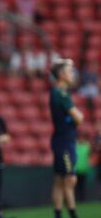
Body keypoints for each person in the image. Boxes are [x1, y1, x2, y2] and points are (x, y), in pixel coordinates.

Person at [50, 59, 84, 218]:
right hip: (64, 143)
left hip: (62, 141)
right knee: (70, 179)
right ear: (62, 75)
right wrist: (77, 117)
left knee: (60, 179)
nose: (73, 74)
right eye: (70, 71)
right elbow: (79, 118)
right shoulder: (61, 93)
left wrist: (67, 62)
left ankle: (58, 214)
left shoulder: (59, 92)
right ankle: (73, 214)